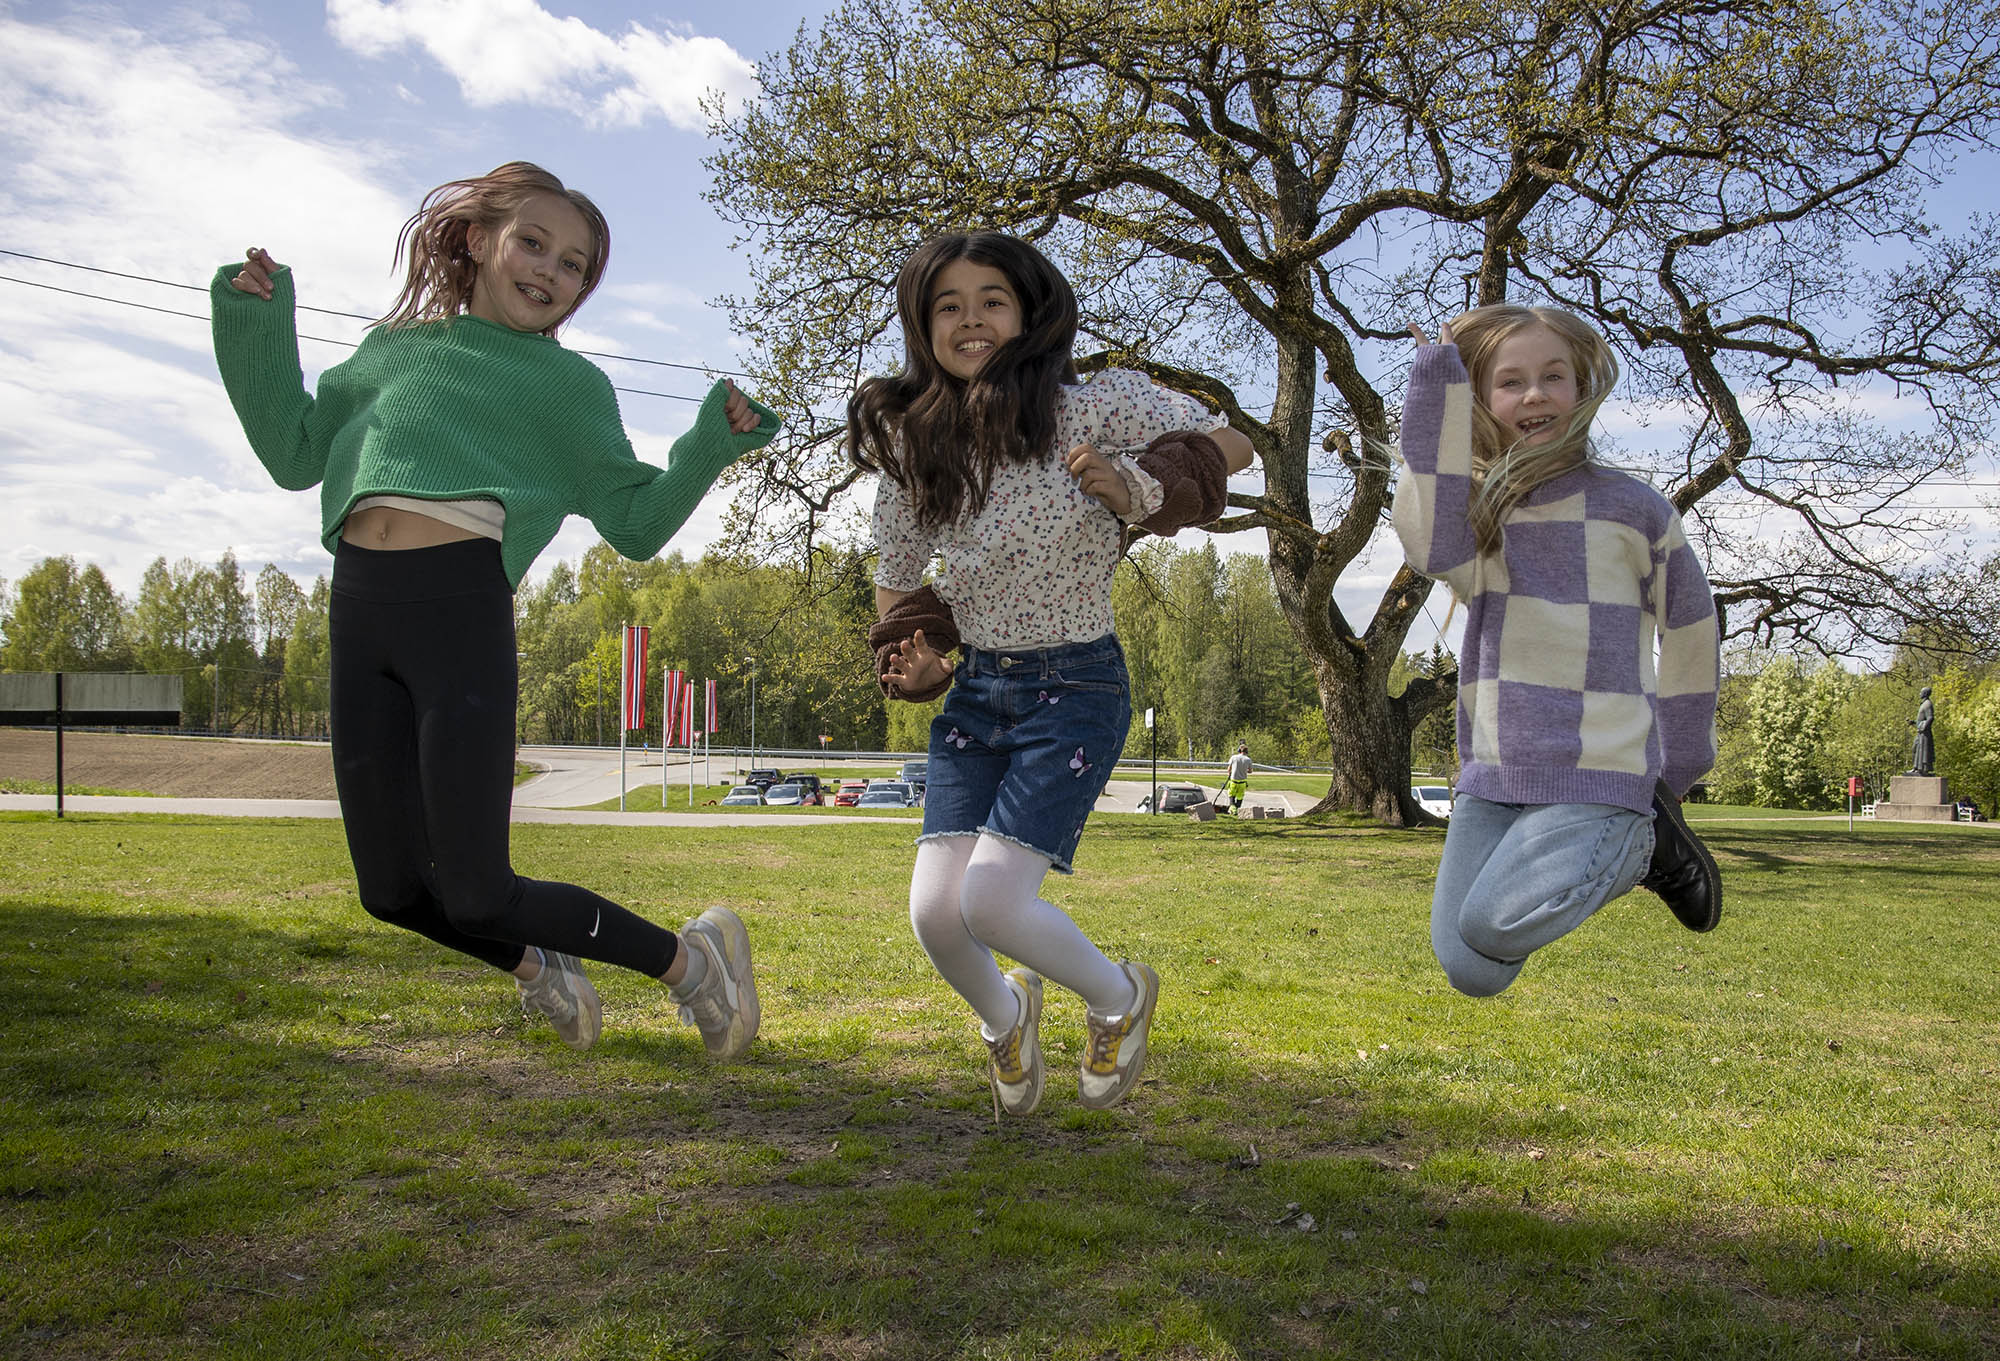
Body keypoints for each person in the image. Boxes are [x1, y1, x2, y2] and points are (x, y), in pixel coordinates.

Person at [210, 162, 778, 1058]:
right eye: (535, 243)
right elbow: (293, 448)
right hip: (360, 613)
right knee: (391, 890)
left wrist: (712, 442)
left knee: (476, 890)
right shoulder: (394, 350)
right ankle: (538, 968)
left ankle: (694, 962)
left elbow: (633, 522)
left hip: (459, 616)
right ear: (478, 241)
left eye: (576, 266)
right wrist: (255, 321)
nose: (551, 272)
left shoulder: (568, 390)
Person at [853, 231, 1256, 1114]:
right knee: (935, 913)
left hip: (1076, 686)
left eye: (991, 299)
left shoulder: (1092, 405)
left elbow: (1233, 443)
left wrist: (1140, 487)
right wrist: (916, 666)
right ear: (923, 327)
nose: (971, 320)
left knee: (993, 902)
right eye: (948, 305)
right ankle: (1006, 1018)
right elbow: (898, 584)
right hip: (981, 691)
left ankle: (1119, 996)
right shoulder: (916, 442)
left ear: (1030, 313)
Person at [1392, 305, 1722, 998]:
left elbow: (1691, 626)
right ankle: (1641, 845)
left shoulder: (1634, 509)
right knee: (1471, 962)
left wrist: (1680, 758)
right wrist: (1433, 393)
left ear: (1581, 387)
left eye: (1553, 376)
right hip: (1496, 772)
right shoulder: (1482, 515)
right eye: (1510, 382)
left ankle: (1641, 841)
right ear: (1483, 400)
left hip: (1599, 773)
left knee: (1492, 921)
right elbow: (1425, 542)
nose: (1534, 393)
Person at [1223, 744, 1252, 812]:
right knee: (1240, 797)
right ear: (1247, 752)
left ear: (1239, 750)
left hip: (1233, 781)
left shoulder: (1234, 757)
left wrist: (1231, 772)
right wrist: (1244, 770)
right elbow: (1250, 771)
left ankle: (1233, 809)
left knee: (1231, 795)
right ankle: (1236, 809)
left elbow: (1229, 769)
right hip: (1242, 782)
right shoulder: (1248, 759)